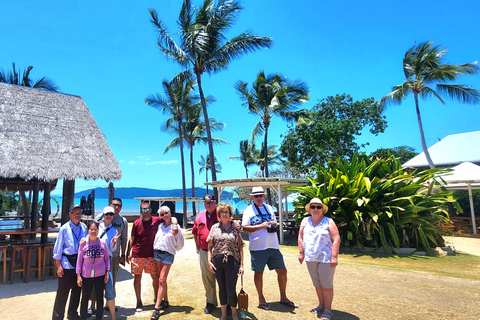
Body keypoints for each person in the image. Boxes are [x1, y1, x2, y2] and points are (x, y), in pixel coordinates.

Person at [241, 186, 298, 310]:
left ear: (264, 196)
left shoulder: (269, 208)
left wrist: (274, 224)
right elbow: (244, 228)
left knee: (282, 271)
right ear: (252, 197)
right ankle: (261, 299)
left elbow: (274, 222)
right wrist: (261, 226)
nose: (259, 198)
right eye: (256, 196)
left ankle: (283, 297)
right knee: (259, 272)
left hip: (273, 245)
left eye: (260, 195)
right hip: (258, 247)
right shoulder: (248, 210)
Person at [126, 201, 178, 312]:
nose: (145, 211)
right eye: (143, 209)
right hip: (137, 254)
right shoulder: (136, 223)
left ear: (151, 210)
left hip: (151, 255)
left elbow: (171, 217)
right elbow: (132, 238)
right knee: (137, 278)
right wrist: (127, 253)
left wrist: (174, 224)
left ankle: (156, 299)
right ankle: (139, 302)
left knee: (156, 278)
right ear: (140, 211)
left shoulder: (157, 220)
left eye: (147, 209)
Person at [298, 198, 340, 320]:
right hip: (310, 257)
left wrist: (334, 256)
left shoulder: (329, 221)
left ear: (322, 209)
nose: (316, 209)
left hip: (326, 258)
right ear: (309, 209)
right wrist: (301, 253)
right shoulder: (305, 221)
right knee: (317, 284)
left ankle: (328, 309)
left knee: (326, 285)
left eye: (318, 207)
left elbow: (336, 239)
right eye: (313, 207)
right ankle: (321, 305)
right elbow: (300, 237)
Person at [207, 203, 244, 320]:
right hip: (217, 260)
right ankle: (223, 314)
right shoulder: (214, 228)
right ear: (219, 214)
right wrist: (209, 261)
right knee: (221, 288)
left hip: (232, 260)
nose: (224, 214)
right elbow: (209, 246)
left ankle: (233, 314)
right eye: (222, 212)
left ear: (230, 214)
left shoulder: (235, 228)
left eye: (226, 212)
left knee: (231, 288)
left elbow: (240, 246)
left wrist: (242, 264)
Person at [52, 204, 88, 320]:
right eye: (75, 213)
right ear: (70, 214)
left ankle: (72, 314)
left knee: (77, 291)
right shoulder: (64, 228)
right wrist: (59, 266)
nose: (77, 215)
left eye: (79, 213)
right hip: (67, 262)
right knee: (63, 291)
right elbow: (58, 249)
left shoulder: (84, 227)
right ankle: (57, 317)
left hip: (80, 263)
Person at [150, 206, 184, 320]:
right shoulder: (160, 226)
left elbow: (180, 243)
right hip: (157, 253)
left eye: (167, 212)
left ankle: (156, 308)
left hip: (168, 254)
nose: (166, 215)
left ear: (170, 213)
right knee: (161, 279)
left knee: (161, 279)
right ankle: (166, 301)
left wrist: (173, 249)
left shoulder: (176, 227)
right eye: (163, 213)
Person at [192, 194, 220, 314]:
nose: (208, 204)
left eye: (210, 202)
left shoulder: (221, 214)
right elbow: (195, 232)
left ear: (215, 203)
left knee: (223, 279)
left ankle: (227, 303)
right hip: (204, 251)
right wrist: (197, 246)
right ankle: (210, 302)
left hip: (220, 252)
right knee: (207, 278)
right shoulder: (199, 216)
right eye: (206, 202)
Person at [76, 220, 110, 320]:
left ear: (98, 231)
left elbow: (107, 259)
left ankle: (99, 316)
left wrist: (107, 272)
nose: (93, 231)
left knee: (99, 297)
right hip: (86, 274)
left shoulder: (103, 243)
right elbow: (79, 260)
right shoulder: (83, 243)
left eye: (95, 229)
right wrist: (78, 275)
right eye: (91, 229)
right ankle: (83, 316)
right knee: (85, 297)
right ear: (88, 231)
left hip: (100, 274)